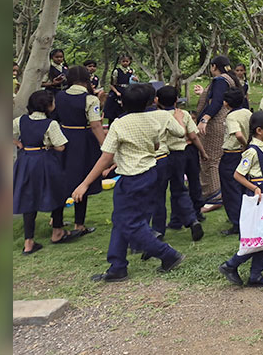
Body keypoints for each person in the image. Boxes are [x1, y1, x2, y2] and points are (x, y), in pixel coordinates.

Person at [72, 83, 187, 282]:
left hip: (133, 178)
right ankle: (117, 266)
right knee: (121, 220)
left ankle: (168, 254)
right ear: (150, 102)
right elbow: (156, 145)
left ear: (122, 102)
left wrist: (85, 183)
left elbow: (105, 157)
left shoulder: (119, 124)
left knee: (132, 223)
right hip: (149, 174)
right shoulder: (153, 120)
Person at [216, 111, 263, 288]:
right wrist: (255, 188)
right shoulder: (251, 152)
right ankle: (231, 264)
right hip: (258, 194)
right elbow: (238, 175)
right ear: (259, 130)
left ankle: (256, 275)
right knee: (260, 234)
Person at [14, 90, 73, 254]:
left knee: (28, 196)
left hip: (26, 160)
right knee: (57, 191)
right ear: (48, 106)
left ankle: (28, 242)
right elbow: (61, 146)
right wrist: (49, 145)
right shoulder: (50, 124)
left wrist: (19, 144)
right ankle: (57, 231)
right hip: (44, 160)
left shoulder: (21, 120)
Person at [53, 66, 107, 237]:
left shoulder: (59, 96)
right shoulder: (90, 99)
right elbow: (96, 125)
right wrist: (105, 147)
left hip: (62, 138)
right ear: (87, 78)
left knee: (61, 179)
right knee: (82, 179)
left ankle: (57, 221)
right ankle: (79, 224)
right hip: (83, 140)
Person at [150, 86, 204, 242]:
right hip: (180, 154)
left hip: (161, 156)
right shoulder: (184, 114)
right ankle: (192, 221)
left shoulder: (154, 115)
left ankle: (158, 231)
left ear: (157, 100)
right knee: (180, 189)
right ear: (176, 100)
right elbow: (192, 134)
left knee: (159, 194)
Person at [194, 55, 241, 204]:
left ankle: (214, 195)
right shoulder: (230, 79)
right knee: (217, 158)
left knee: (210, 159)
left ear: (214, 66)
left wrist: (204, 119)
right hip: (224, 122)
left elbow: (217, 102)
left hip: (215, 123)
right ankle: (217, 192)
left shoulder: (220, 80)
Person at [218, 89, 252, 236]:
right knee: (244, 186)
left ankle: (237, 222)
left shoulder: (231, 116)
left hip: (232, 154)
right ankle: (247, 218)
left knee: (231, 189)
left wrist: (245, 144)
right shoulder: (247, 112)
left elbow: (238, 134)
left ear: (226, 103)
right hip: (245, 155)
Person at [104, 54, 135, 123]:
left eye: (127, 61)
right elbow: (111, 84)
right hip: (117, 90)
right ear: (120, 62)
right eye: (123, 61)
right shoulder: (116, 71)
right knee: (114, 111)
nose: (125, 63)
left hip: (128, 90)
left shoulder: (132, 71)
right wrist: (117, 92)